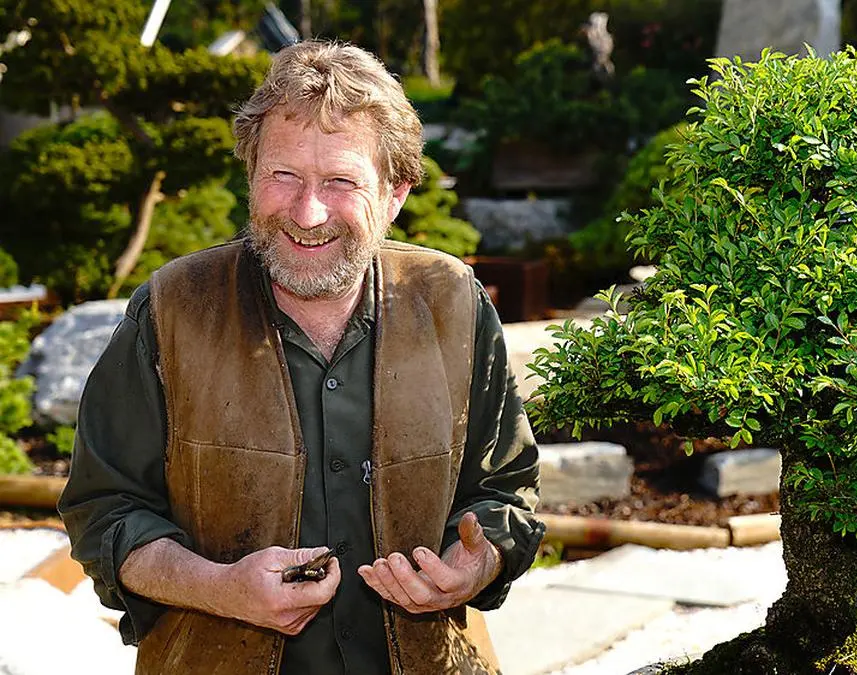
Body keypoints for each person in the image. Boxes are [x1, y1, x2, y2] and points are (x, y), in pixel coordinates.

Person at [58, 40, 543, 675]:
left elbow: (507, 490)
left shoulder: (455, 305)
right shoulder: (171, 310)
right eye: (282, 176)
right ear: (250, 178)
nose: (307, 213)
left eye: (341, 182)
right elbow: (105, 511)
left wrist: (480, 561)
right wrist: (218, 588)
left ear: (395, 195)